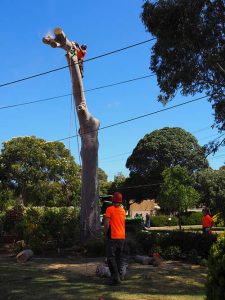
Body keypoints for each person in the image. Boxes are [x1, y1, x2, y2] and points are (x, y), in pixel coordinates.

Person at [104, 192, 126, 285]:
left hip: (112, 236)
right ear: (120, 201)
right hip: (122, 237)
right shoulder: (123, 211)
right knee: (119, 257)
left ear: (113, 200)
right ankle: (120, 276)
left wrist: (105, 233)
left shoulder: (109, 209)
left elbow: (106, 223)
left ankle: (115, 278)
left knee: (110, 258)